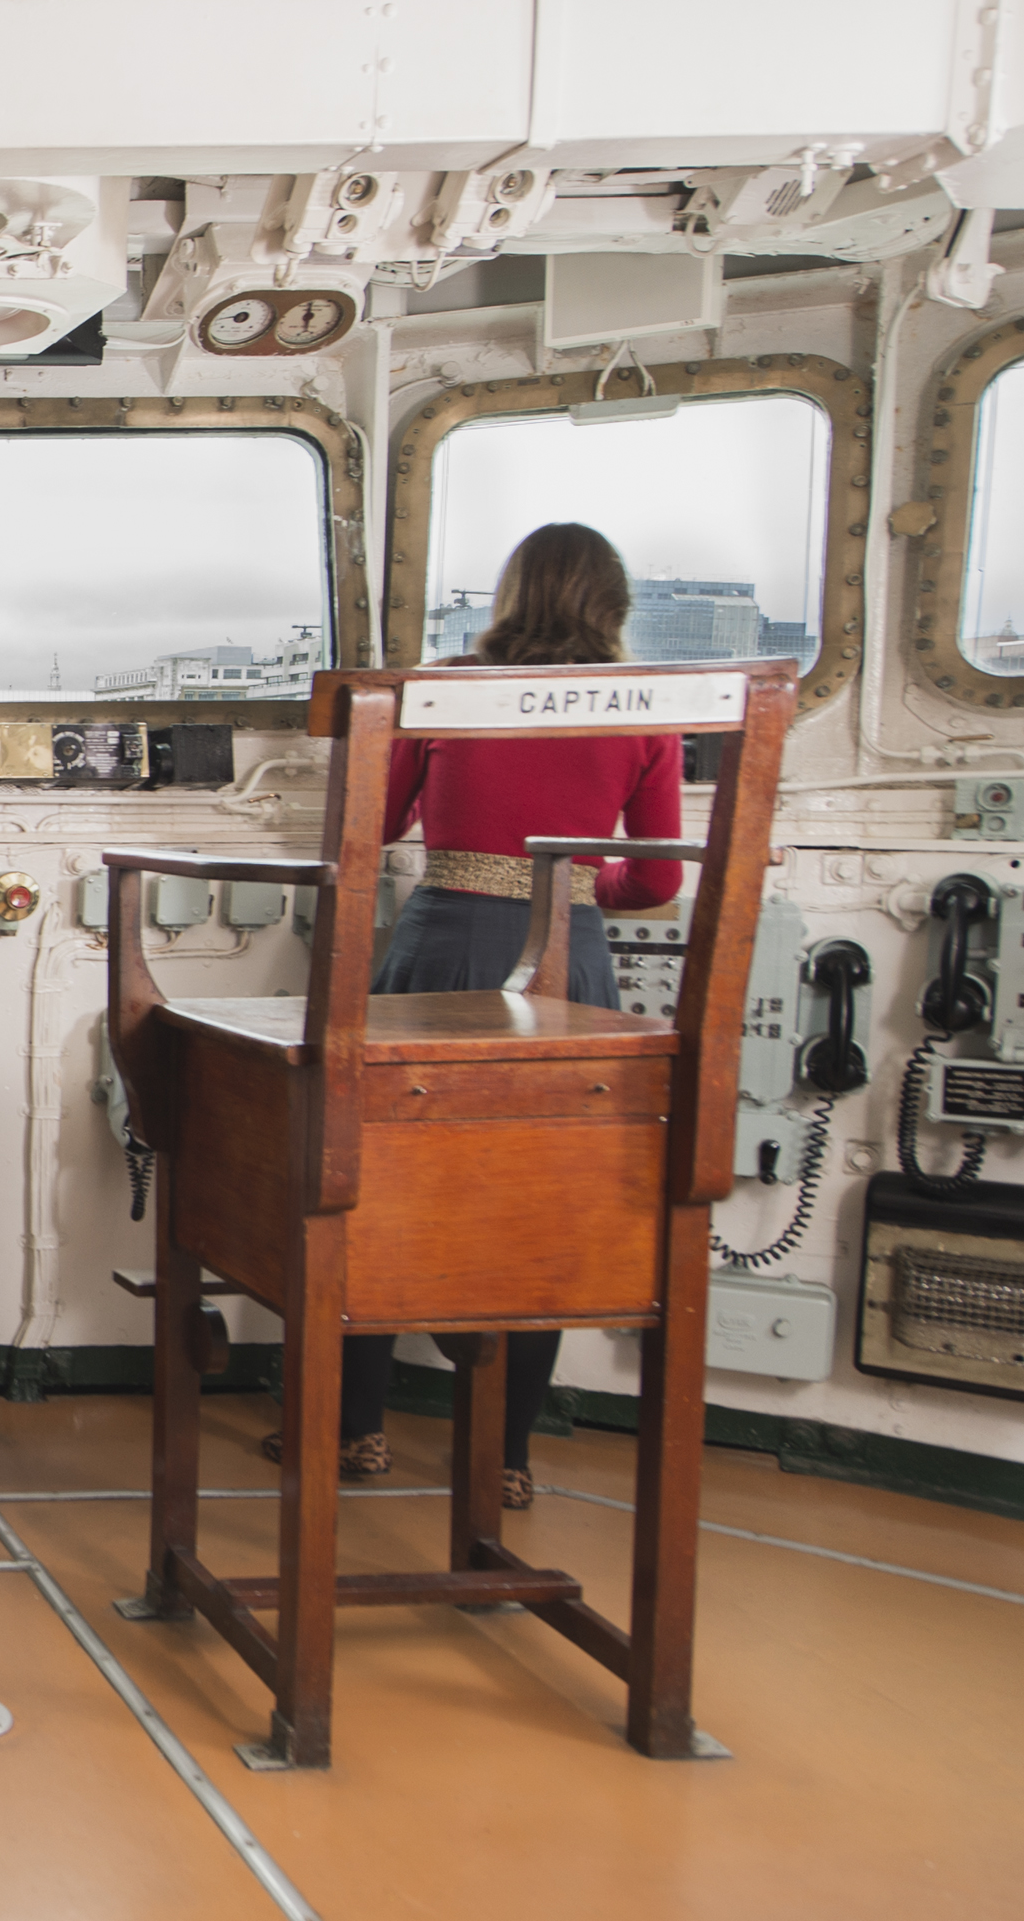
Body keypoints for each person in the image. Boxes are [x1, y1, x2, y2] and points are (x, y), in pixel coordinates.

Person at [267, 520, 682, 1508]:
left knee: (374, 1185)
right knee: (543, 1205)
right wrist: (576, 883)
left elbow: (371, 827)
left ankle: (352, 1428)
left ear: (509, 595)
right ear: (612, 603)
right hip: (568, 972)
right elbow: (658, 878)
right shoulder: (646, 708)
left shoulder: (447, 691)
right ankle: (503, 1453)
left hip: (442, 950)